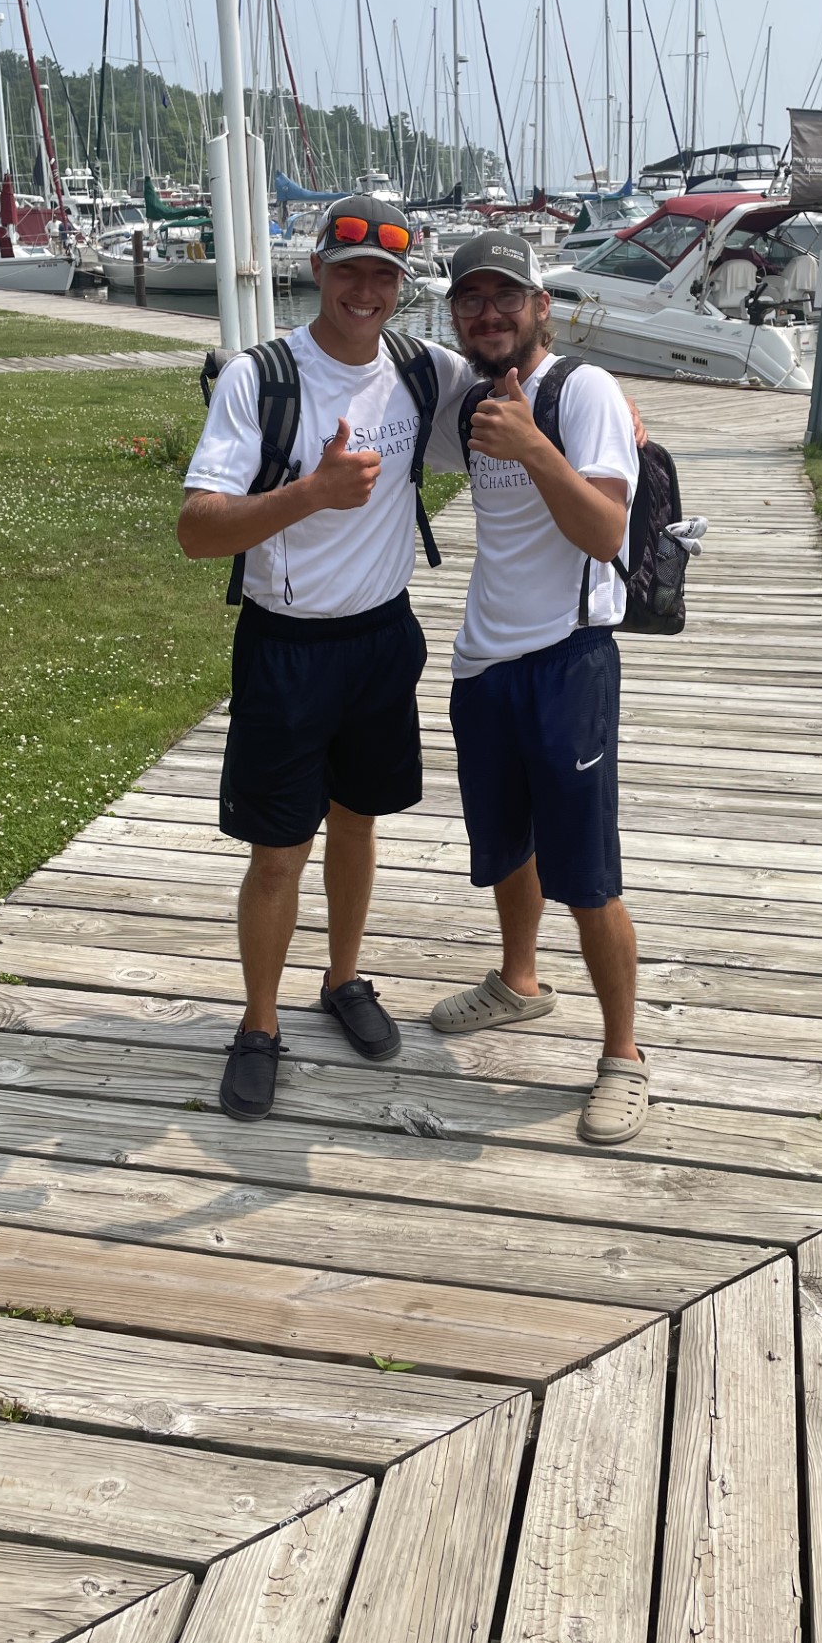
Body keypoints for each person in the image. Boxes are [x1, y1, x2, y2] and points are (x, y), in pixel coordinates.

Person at [178, 195, 470, 1122]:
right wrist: (312, 493)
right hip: (287, 646)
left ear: (401, 286)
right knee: (277, 852)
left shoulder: (423, 369)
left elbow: (521, 383)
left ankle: (343, 979)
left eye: (385, 275)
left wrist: (608, 402)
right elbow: (196, 531)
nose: (366, 290)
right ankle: (259, 1024)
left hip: (383, 639)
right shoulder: (260, 378)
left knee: (359, 822)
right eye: (349, 270)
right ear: (317, 270)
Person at [422, 231, 649, 1146]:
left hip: (568, 658)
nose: (488, 313)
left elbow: (605, 532)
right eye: (471, 300)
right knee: (506, 845)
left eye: (505, 297)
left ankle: (625, 1056)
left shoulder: (581, 391)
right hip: (483, 661)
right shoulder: (469, 398)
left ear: (541, 305)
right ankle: (519, 982)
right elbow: (385, 371)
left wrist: (532, 445)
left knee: (587, 875)